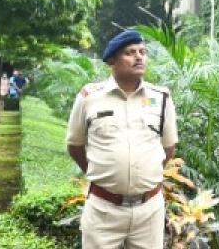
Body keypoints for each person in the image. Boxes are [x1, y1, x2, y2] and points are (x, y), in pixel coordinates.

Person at [67, 29, 179, 249]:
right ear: (112, 60)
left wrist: (143, 176)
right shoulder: (90, 97)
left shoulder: (161, 98)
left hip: (149, 210)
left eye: (142, 52)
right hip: (103, 209)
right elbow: (75, 145)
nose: (139, 57)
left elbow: (168, 149)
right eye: (130, 53)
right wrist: (105, 174)